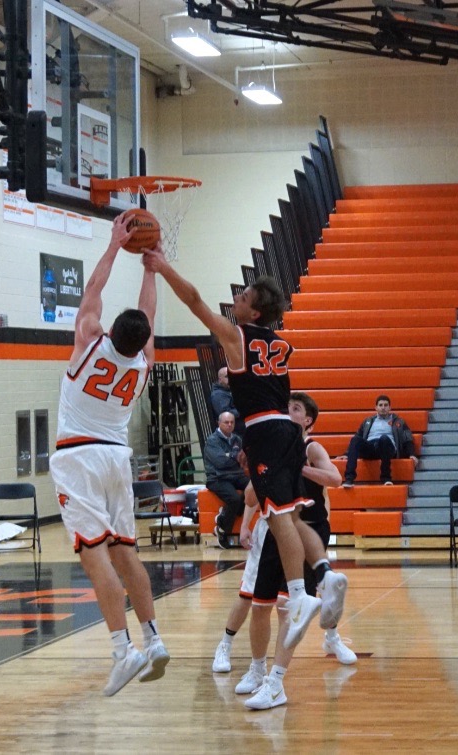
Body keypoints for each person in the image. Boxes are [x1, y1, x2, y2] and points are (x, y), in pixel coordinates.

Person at [141, 254, 348, 650]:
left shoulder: (238, 337)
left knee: (277, 516)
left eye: (244, 295)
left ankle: (302, 593)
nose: (236, 296)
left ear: (253, 309)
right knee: (285, 513)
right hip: (285, 432)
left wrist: (163, 267)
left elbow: (195, 301)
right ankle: (318, 574)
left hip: (264, 428)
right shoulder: (280, 344)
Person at [50, 214, 170, 697]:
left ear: (109, 329)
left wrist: (113, 246)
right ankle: (153, 637)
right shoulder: (145, 364)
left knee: (92, 553)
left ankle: (123, 652)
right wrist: (150, 269)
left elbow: (91, 293)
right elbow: (149, 317)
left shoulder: (89, 339)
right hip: (118, 458)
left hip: (78, 456)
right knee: (125, 552)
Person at [213, 393, 356, 711]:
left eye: (295, 409)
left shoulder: (311, 448)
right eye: (286, 407)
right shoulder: (273, 448)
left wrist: (297, 469)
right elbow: (252, 497)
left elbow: (334, 478)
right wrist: (254, 495)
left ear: (307, 420)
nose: (287, 413)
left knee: (298, 602)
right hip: (277, 531)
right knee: (261, 604)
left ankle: (288, 671)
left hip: (309, 528)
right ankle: (257, 669)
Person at [339, 394, 418, 487]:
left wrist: (412, 454)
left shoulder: (399, 421)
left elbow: (407, 438)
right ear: (376, 407)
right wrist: (346, 454)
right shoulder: (368, 421)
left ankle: (386, 478)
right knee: (355, 439)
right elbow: (358, 436)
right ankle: (349, 479)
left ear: (390, 407)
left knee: (384, 438)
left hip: (387, 447)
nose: (383, 408)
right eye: (380, 405)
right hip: (371, 447)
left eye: (385, 405)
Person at [204, 411, 249, 549]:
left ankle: (230, 513)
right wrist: (235, 457)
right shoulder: (212, 441)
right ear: (219, 423)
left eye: (232, 422)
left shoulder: (237, 439)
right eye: (226, 422)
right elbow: (220, 462)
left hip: (235, 475)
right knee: (234, 498)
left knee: (255, 486)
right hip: (217, 477)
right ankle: (222, 529)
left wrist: (230, 456)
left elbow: (244, 459)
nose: (230, 425)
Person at [210, 366, 245, 436]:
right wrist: (242, 410)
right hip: (234, 431)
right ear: (220, 379)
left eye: (230, 377)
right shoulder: (218, 394)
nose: (230, 379)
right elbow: (225, 413)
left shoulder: (228, 390)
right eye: (226, 377)